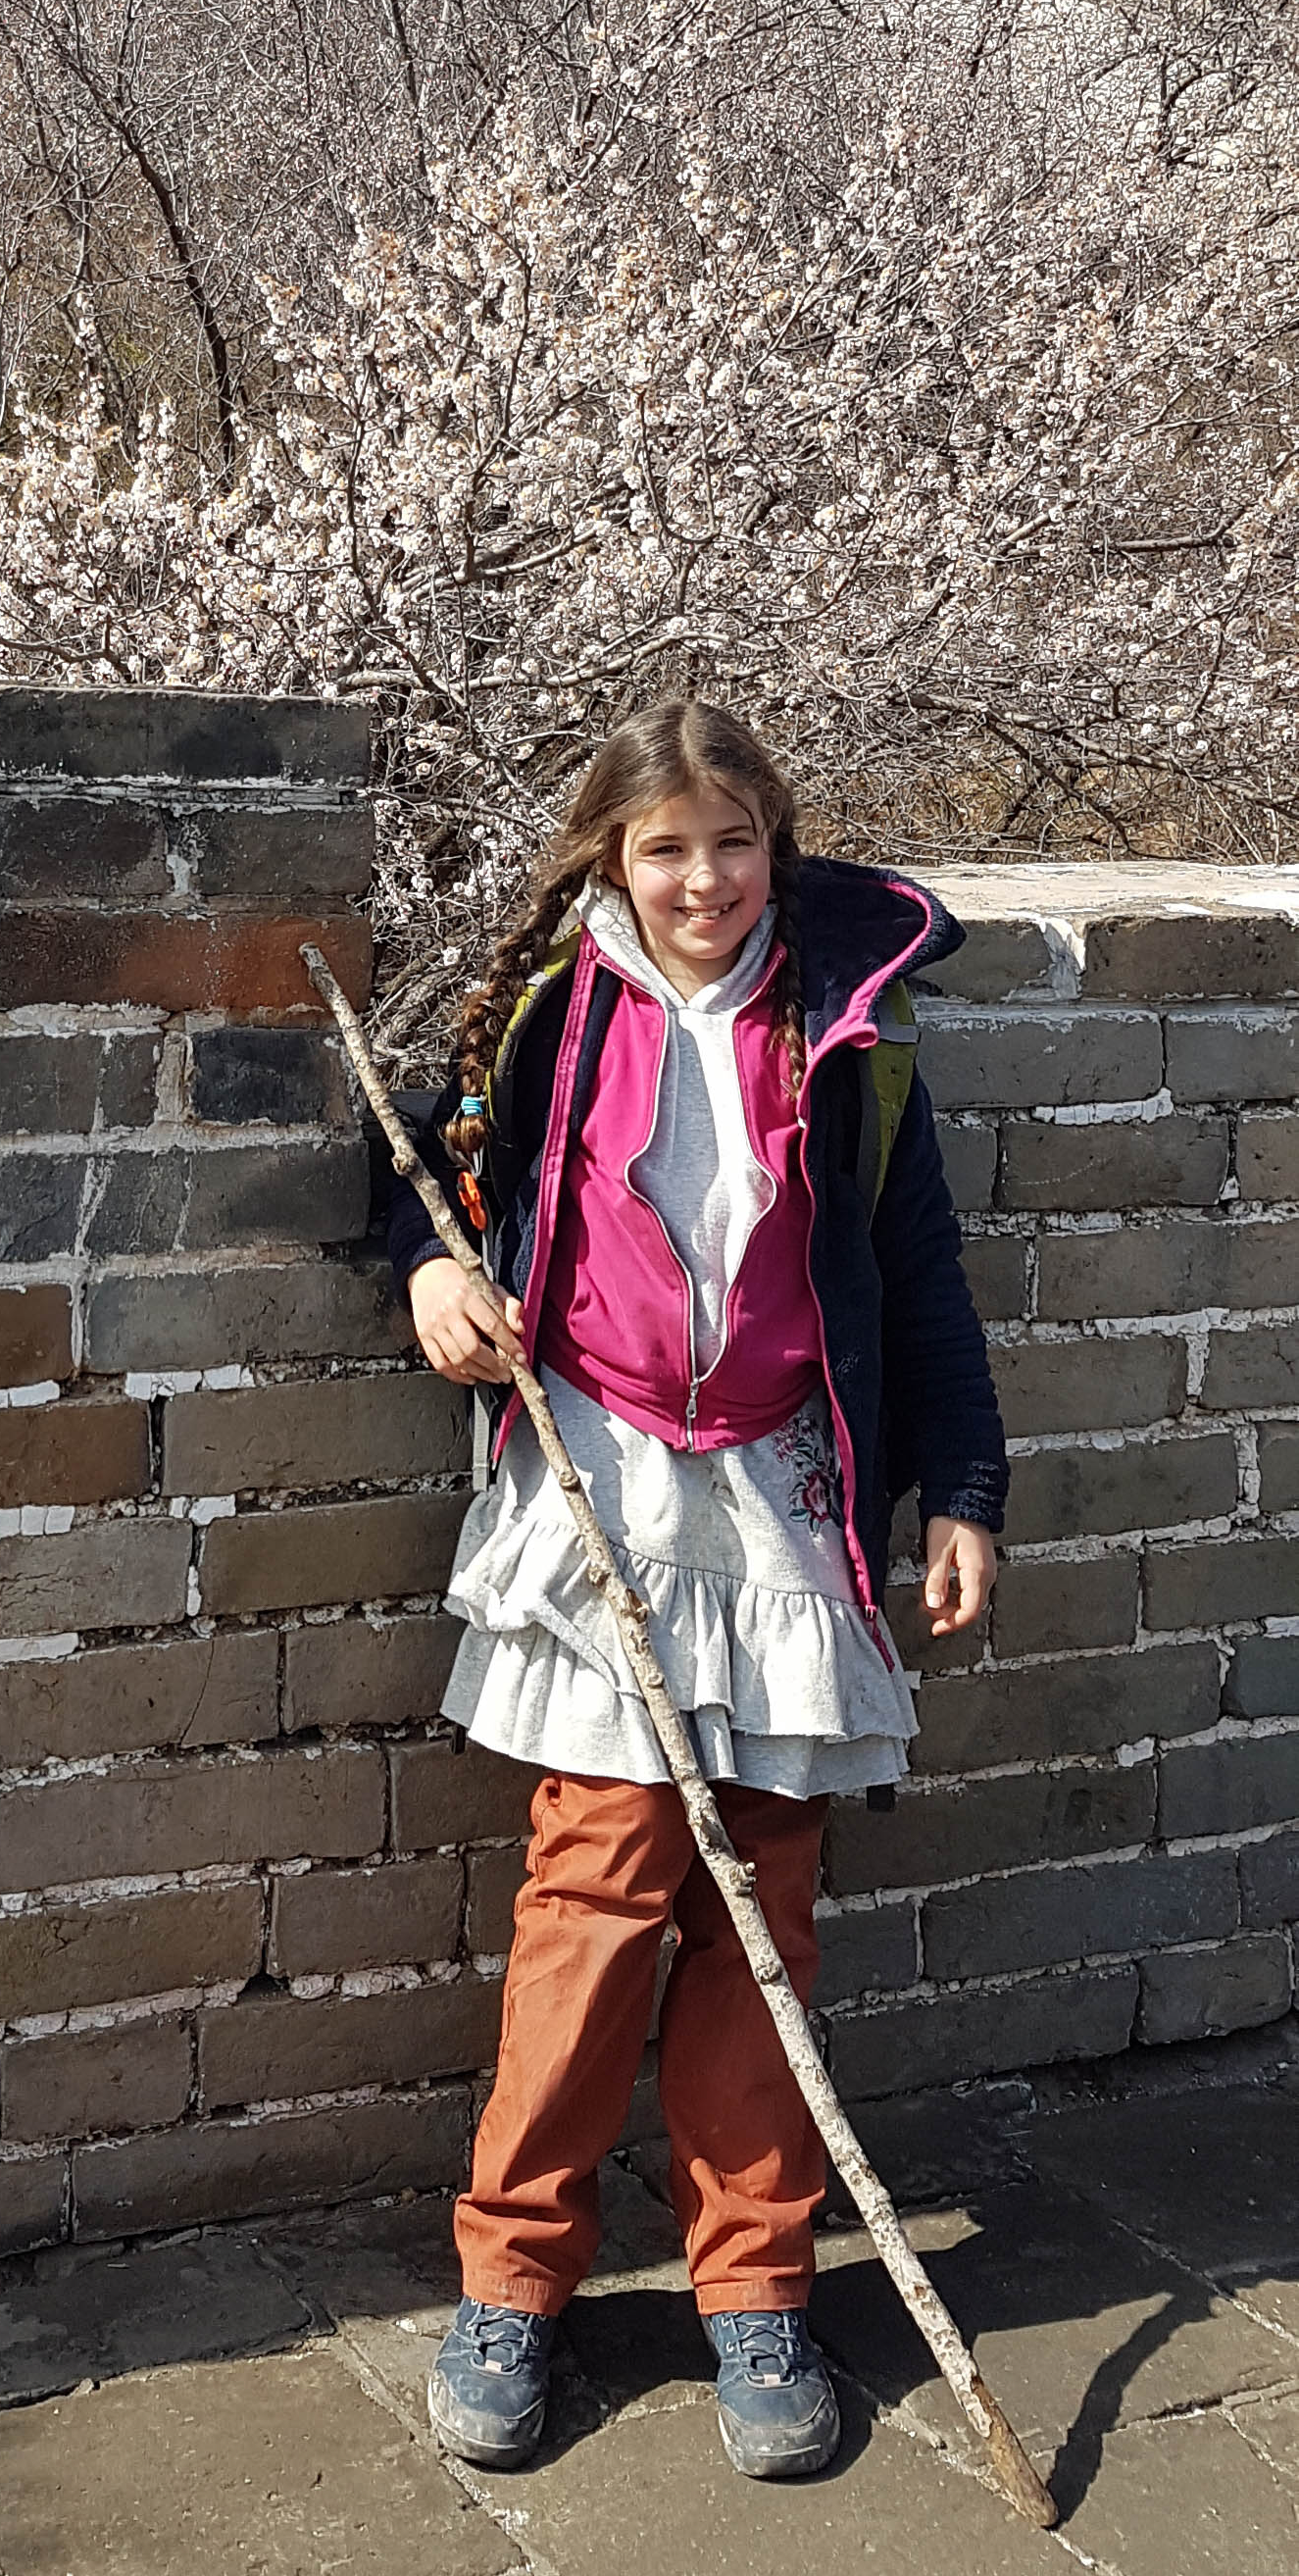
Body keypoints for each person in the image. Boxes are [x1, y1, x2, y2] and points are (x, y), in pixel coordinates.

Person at [391, 698, 1005, 2486]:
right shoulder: (542, 1010)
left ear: (774, 845)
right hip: (607, 1479)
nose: (703, 880)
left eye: (734, 842)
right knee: (598, 1887)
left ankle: (756, 2287)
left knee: (764, 1903)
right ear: (612, 854)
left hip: (784, 1494)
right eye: (665, 848)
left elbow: (919, 1270)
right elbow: (421, 1162)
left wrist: (962, 1491)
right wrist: (431, 1270)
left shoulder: (847, 1029)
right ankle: (515, 2278)